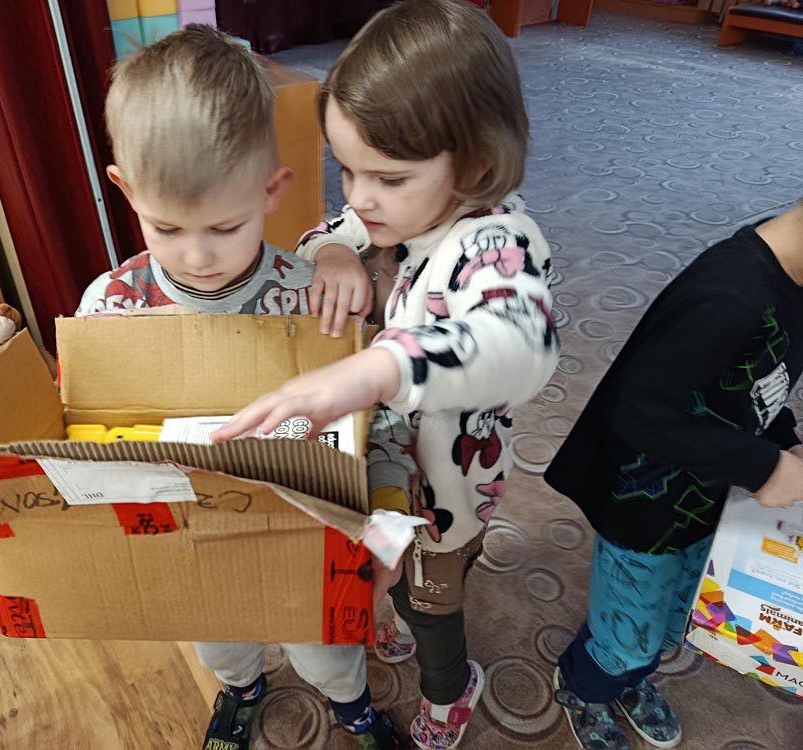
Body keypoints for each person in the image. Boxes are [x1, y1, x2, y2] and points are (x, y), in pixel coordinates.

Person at [212, 3, 559, 748]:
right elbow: (327, 233)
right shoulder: (387, 213)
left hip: (448, 497)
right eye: (346, 169)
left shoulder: (499, 241)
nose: (360, 196)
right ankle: (400, 610)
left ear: (474, 165)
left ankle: (449, 689)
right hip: (385, 464)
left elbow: (522, 341)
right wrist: (334, 251)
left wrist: (380, 367)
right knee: (386, 571)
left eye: (387, 177)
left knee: (432, 602)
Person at [75, 25, 406, 750]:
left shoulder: (315, 298)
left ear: (272, 189)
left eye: (225, 227)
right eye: (166, 227)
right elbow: (90, 438)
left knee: (327, 647)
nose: (197, 256)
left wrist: (387, 515)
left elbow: (377, 423)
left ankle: (351, 706)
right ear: (124, 190)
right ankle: (243, 689)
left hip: (307, 531)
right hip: (188, 539)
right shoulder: (109, 308)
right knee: (219, 637)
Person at [543, 199, 803, 750]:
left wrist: (784, 441)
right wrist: (766, 468)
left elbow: (756, 385)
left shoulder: (792, 281)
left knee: (672, 619)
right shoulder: (729, 294)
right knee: (627, 632)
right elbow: (637, 410)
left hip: (710, 493)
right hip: (645, 508)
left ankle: (628, 676)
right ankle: (584, 686)